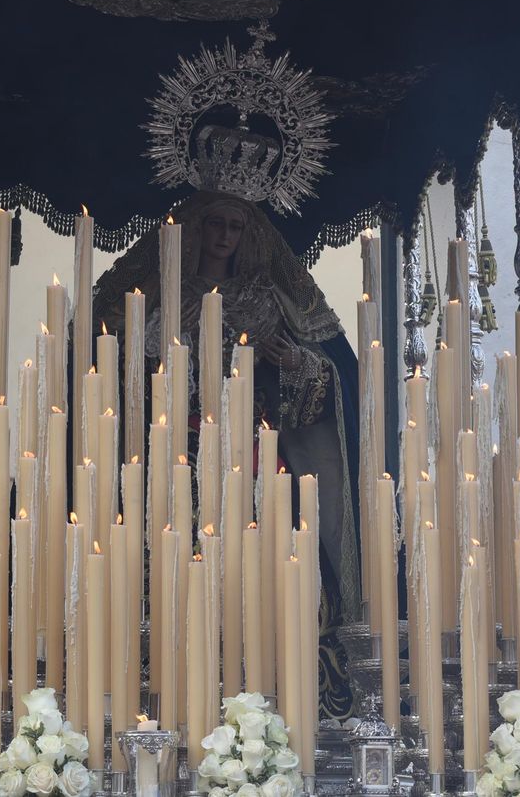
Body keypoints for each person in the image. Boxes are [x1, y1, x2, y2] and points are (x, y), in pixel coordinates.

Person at [93, 189, 360, 717]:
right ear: (194, 230)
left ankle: (287, 683)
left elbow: (330, 379)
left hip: (256, 457)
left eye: (234, 227)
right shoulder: (165, 298)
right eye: (214, 223)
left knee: (291, 565)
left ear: (248, 236)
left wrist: (299, 365)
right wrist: (159, 360)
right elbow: (120, 378)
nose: (223, 236)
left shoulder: (270, 299)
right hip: (177, 460)